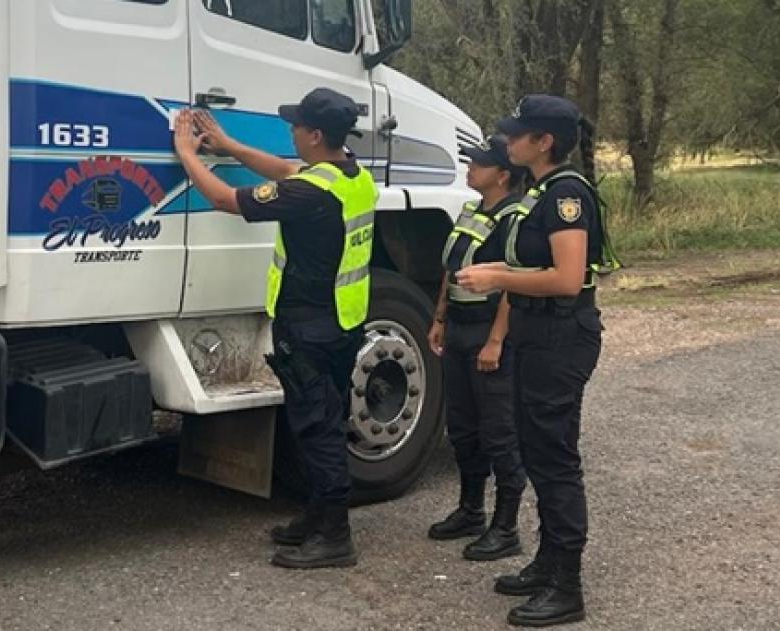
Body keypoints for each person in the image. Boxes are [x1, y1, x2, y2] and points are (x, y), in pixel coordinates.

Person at [172, 88, 378, 570]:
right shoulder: (352, 176)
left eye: (296, 125)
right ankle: (316, 517)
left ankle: (334, 537)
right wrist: (228, 145)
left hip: (309, 327)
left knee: (318, 430)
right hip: (342, 322)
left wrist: (187, 153)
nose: (291, 131)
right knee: (321, 423)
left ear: (314, 134)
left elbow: (226, 199)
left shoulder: (309, 192)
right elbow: (286, 172)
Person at [457, 95, 621, 627]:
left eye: (517, 133)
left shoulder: (566, 194)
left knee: (554, 459)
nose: (507, 140)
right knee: (535, 447)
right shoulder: (542, 191)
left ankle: (567, 586)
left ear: (543, 142)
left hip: (559, 335)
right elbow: (537, 264)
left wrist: (497, 277)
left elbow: (568, 278)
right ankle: (548, 562)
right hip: (535, 331)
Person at [427, 135, 529, 563]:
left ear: (503, 174)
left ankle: (505, 527)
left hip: (489, 332)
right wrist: (439, 317)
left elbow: (513, 283)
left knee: (498, 432)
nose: (470, 168)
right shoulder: (470, 210)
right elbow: (451, 269)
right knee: (463, 428)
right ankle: (470, 511)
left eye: (479, 164)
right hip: (459, 330)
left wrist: (496, 340)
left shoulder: (515, 217)